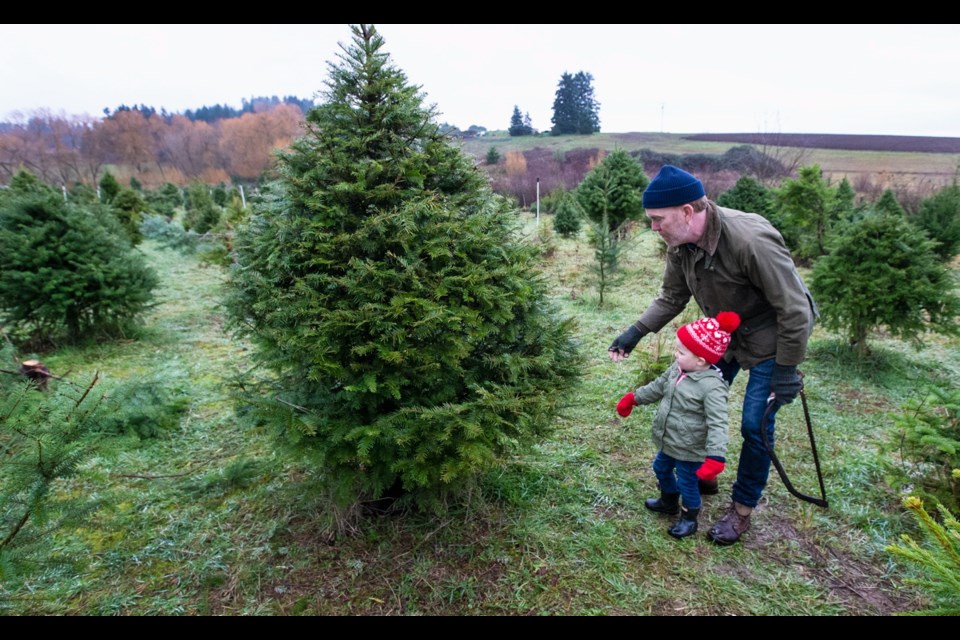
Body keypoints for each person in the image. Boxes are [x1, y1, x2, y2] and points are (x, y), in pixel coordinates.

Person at [608, 165, 817, 546]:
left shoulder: (750, 240)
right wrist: (636, 332)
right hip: (722, 335)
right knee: (691, 394)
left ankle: (741, 510)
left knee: (755, 425)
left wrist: (785, 369)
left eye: (658, 219)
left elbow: (794, 310)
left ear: (688, 211)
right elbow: (673, 296)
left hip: (772, 336)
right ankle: (702, 474)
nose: (654, 227)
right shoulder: (680, 245)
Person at [617, 312, 740, 539]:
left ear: (701, 360)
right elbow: (658, 387)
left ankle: (689, 517)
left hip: (690, 448)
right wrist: (634, 398)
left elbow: (718, 424)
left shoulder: (712, 388)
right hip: (669, 439)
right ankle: (668, 501)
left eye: (681, 352)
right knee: (661, 468)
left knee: (688, 482)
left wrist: (715, 457)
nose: (676, 354)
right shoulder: (678, 368)